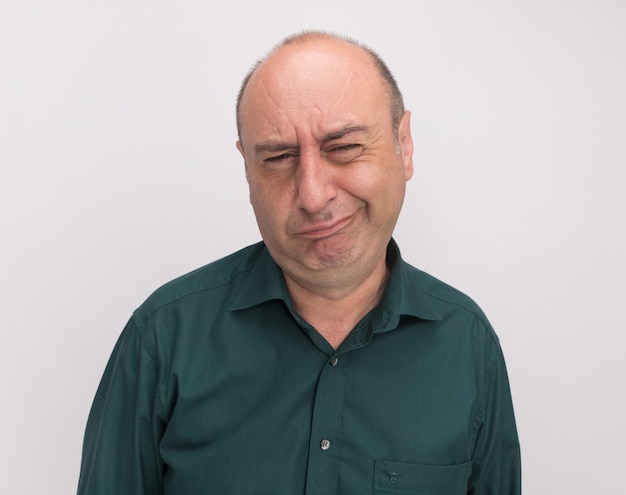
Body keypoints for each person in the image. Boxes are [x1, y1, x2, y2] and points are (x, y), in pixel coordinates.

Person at [77, 31, 521, 494]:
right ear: (247, 168)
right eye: (279, 157)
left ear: (403, 145)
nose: (312, 195)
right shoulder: (162, 338)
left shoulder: (468, 344)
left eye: (344, 147)